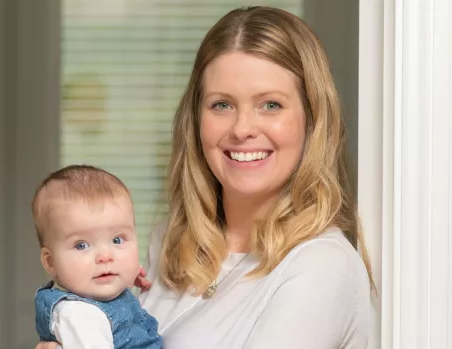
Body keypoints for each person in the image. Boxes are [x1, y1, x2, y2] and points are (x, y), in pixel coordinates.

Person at [37, 5, 373, 349]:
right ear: (196, 119)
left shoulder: (321, 268)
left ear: (313, 119)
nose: (242, 129)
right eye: (221, 105)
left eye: (271, 104)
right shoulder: (166, 243)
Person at [31, 165, 163, 349]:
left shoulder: (95, 294)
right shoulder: (79, 314)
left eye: (117, 240)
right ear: (51, 262)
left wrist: (127, 273)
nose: (105, 257)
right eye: (81, 245)